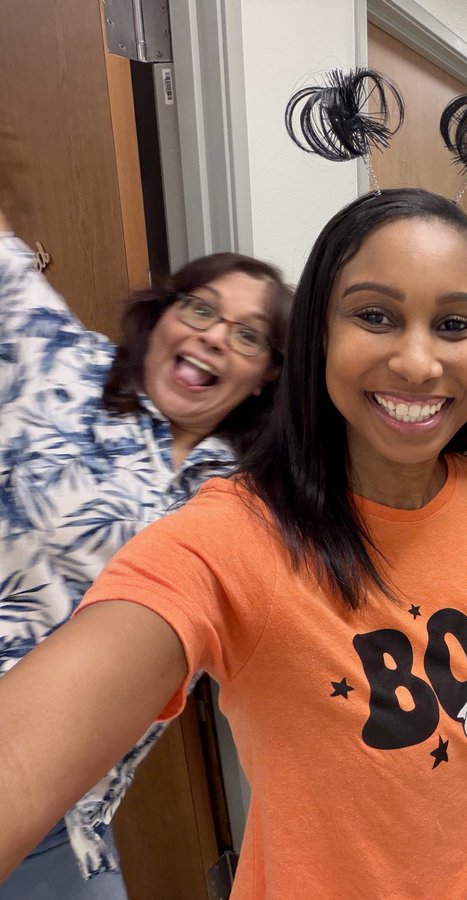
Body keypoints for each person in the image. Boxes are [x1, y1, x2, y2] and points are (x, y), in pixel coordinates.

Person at [0, 189, 467, 899]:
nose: (419, 363)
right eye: (375, 315)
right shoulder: (235, 535)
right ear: (319, 336)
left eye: (454, 324)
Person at [0, 208, 290, 899]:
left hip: (70, 816)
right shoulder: (60, 365)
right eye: (199, 307)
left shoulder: (250, 501)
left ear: (266, 376)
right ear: (164, 314)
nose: (214, 336)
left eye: (248, 335)